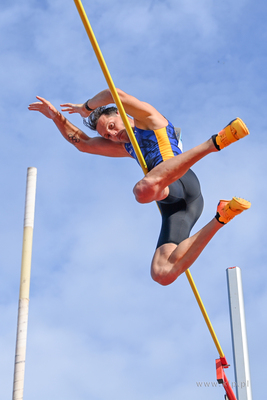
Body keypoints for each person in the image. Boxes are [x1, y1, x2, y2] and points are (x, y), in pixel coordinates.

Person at [28, 88, 251, 286]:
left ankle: (213, 143)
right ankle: (222, 215)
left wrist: (86, 107)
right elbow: (84, 144)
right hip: (177, 205)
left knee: (142, 191)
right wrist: (56, 117)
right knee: (162, 273)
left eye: (112, 127)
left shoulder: (149, 119)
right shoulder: (126, 146)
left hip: (181, 182)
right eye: (107, 135)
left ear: (120, 114)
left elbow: (112, 93)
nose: (113, 135)